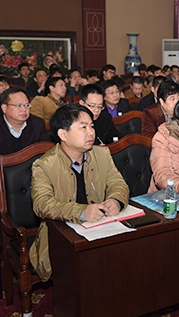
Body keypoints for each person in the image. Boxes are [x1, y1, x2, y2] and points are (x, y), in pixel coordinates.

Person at [30, 104, 130, 281]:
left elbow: (118, 183)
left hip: (101, 227)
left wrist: (116, 200)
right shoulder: (44, 165)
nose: (91, 132)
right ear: (63, 135)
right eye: (83, 127)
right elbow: (42, 204)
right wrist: (82, 212)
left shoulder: (102, 154)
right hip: (62, 235)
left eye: (91, 126)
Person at [0, 88, 51, 170]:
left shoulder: (37, 124)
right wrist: (11, 161)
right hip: (4, 173)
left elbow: (47, 151)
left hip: (33, 172)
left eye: (27, 105)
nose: (24, 110)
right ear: (4, 108)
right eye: (18, 105)